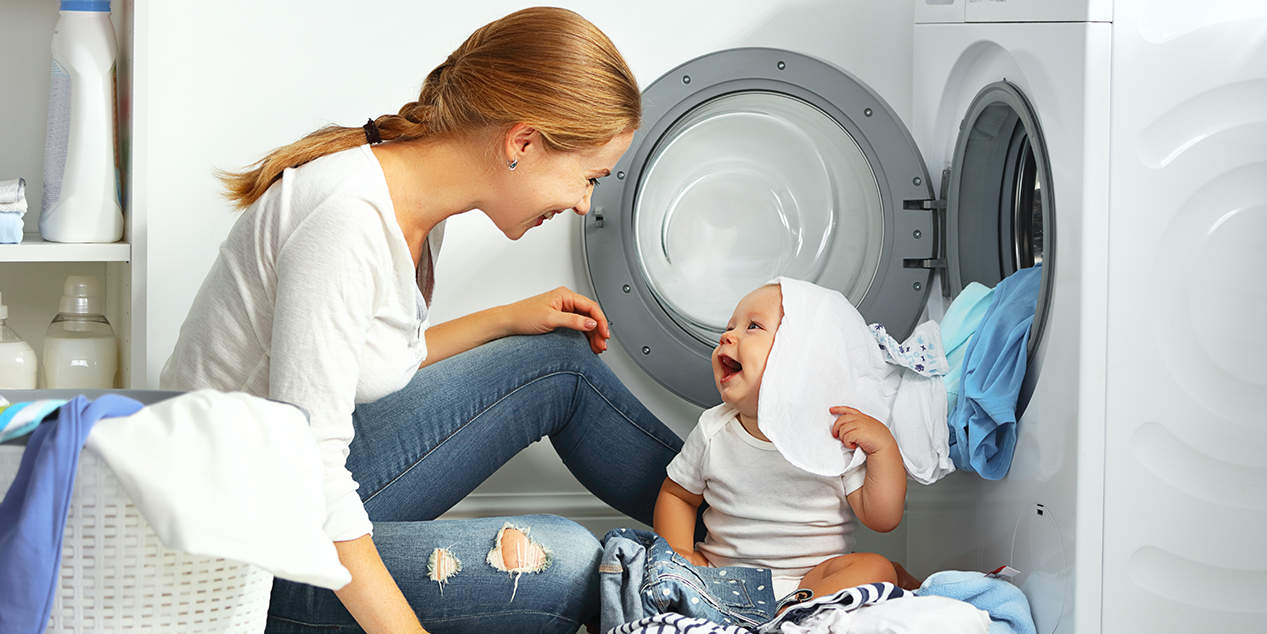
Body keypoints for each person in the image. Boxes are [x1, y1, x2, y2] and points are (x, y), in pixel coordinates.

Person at [159, 7, 684, 634]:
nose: (582, 202)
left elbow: (359, 363)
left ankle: (754, 533)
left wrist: (505, 319)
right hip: (240, 552)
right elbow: (311, 475)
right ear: (522, 142)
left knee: (559, 358)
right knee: (569, 564)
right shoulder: (346, 222)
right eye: (589, 177)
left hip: (280, 486)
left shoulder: (411, 197)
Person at [653, 280, 917, 614]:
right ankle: (785, 616)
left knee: (877, 567)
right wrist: (680, 555)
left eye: (753, 326)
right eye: (729, 327)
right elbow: (678, 495)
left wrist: (883, 448)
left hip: (812, 580)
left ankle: (793, 612)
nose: (727, 337)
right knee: (647, 566)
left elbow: (883, 518)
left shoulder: (833, 433)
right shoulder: (713, 429)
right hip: (722, 577)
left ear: (800, 354)